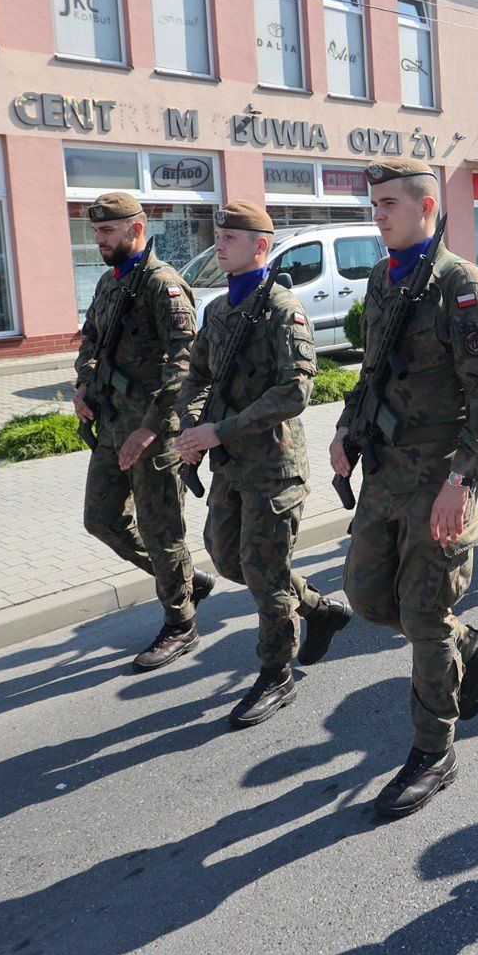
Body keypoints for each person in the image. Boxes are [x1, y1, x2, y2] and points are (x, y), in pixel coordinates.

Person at [331, 159, 478, 819]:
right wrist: (347, 430)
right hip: (385, 474)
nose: (377, 215)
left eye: (388, 204)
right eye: (374, 204)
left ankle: (434, 750)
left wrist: (464, 480)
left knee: (427, 618)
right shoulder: (384, 278)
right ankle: (472, 649)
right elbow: (372, 369)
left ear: (426, 209)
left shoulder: (461, 285)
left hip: (440, 474)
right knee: (368, 597)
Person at [173, 201, 352, 727]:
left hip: (274, 465)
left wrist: (219, 429)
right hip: (231, 464)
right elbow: (199, 374)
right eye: (218, 235)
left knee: (265, 572)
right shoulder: (220, 311)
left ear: (260, 246)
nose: (220, 244)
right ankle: (319, 609)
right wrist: (191, 424)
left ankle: (276, 672)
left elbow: (294, 392)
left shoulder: (282, 309)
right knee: (228, 558)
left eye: (230, 237)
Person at [74, 192, 216, 672]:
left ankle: (180, 622)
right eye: (96, 232)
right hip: (113, 423)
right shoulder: (110, 282)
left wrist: (152, 429)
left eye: (107, 232)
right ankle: (184, 580)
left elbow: (186, 364)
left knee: (162, 529)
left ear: (136, 229)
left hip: (153, 432)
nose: (99, 241)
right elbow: (91, 338)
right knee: (101, 519)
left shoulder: (163, 284)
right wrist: (82, 384)